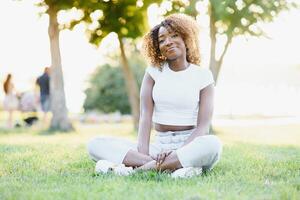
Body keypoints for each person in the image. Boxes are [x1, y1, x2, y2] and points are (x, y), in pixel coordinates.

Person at [87, 14, 222, 178]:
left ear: (186, 38)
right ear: (158, 47)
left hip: (190, 144)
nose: (168, 42)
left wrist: (176, 153)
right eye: (162, 39)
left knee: (212, 144)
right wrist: (143, 153)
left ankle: (137, 170)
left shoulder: (203, 76)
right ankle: (176, 168)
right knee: (96, 144)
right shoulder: (153, 72)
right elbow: (145, 116)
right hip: (158, 147)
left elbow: (203, 127)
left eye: (174, 36)